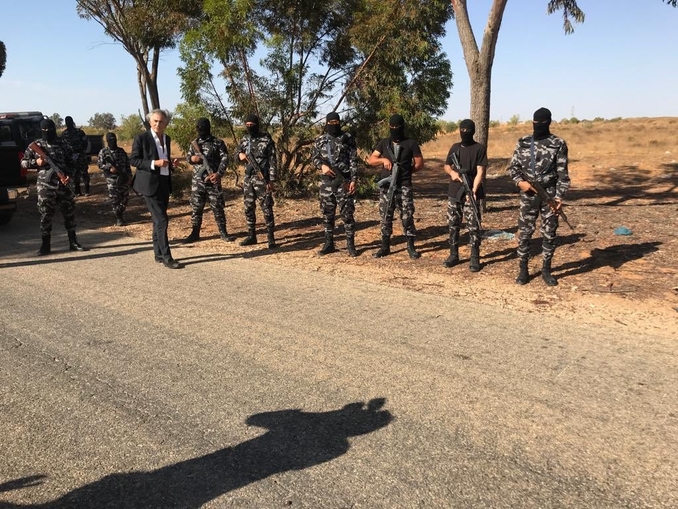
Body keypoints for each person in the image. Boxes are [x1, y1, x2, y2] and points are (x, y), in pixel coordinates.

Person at [507, 107, 570, 286]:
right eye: (535, 122)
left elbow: (563, 175)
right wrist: (520, 183)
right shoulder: (524, 142)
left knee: (549, 233)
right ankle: (523, 269)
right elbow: (513, 168)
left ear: (548, 122)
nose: (537, 126)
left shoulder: (558, 143)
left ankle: (546, 270)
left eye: (541, 123)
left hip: (549, 194)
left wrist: (559, 198)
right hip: (528, 194)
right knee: (525, 233)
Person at [21, 118, 87, 255]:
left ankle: (73, 242)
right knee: (46, 215)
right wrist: (36, 162)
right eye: (44, 130)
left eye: (49, 130)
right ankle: (45, 245)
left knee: (69, 213)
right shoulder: (36, 145)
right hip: (45, 187)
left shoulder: (63, 144)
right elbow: (23, 163)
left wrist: (69, 175)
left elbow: (73, 163)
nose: (47, 132)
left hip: (63, 185)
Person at [130, 109, 183, 269]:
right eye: (155, 121)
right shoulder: (142, 138)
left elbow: (164, 159)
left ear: (166, 123)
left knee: (158, 220)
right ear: (150, 122)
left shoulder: (166, 138)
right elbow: (134, 160)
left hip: (164, 182)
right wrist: (154, 163)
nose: (158, 124)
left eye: (161, 121)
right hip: (149, 184)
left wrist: (170, 164)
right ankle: (167, 257)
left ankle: (158, 254)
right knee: (162, 220)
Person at [366, 114, 424, 259]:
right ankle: (385, 247)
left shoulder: (410, 143)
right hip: (387, 187)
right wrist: (383, 160)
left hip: (404, 186)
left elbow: (419, 163)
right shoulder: (384, 143)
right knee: (386, 216)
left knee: (407, 216)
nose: (394, 129)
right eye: (392, 127)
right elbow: (371, 160)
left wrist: (406, 172)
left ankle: (411, 246)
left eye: (397, 127)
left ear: (402, 127)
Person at [311, 112, 360, 257]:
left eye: (336, 122)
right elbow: (314, 158)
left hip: (343, 181)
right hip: (326, 183)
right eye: (330, 123)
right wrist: (322, 166)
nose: (333, 125)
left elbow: (353, 161)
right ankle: (329, 243)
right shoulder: (320, 140)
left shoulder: (348, 138)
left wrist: (354, 180)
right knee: (327, 214)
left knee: (347, 214)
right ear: (326, 123)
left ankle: (350, 245)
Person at [442, 119, 487, 272]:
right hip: (455, 192)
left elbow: (480, 171)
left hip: (471, 191)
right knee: (453, 224)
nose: (464, 133)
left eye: (467, 130)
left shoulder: (479, 148)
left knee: (473, 226)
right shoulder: (455, 147)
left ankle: (474, 257)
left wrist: (473, 190)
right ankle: (453, 254)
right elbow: (447, 166)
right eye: (462, 130)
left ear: (473, 131)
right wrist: (453, 173)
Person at [182, 118, 235, 243]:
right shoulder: (194, 143)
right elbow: (188, 157)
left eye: (203, 128)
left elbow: (225, 159)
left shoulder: (218, 142)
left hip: (212, 180)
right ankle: (195, 233)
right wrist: (192, 159)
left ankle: (223, 233)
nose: (201, 130)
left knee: (217, 207)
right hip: (197, 181)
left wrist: (218, 174)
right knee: (196, 208)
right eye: (199, 128)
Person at [236, 114, 278, 249]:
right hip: (248, 179)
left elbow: (273, 161)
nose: (249, 127)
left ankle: (271, 237)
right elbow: (235, 155)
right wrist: (239, 155)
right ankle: (251, 235)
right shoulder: (244, 140)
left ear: (257, 125)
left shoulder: (266, 140)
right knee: (248, 207)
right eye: (247, 125)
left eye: (251, 125)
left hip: (262, 178)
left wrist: (271, 180)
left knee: (266, 207)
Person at [97, 132, 132, 226]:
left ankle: (120, 212)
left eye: (114, 139)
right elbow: (100, 165)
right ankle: (119, 217)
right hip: (111, 180)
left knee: (125, 198)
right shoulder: (103, 152)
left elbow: (127, 164)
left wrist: (129, 176)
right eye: (111, 140)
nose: (113, 142)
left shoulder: (121, 151)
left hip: (123, 178)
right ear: (107, 141)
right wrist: (109, 167)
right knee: (115, 199)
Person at [61, 116, 91, 196]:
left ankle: (87, 190)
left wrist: (83, 151)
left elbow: (86, 142)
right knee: (75, 174)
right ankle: (77, 191)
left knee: (84, 172)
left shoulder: (79, 132)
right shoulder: (64, 134)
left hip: (80, 154)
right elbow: (63, 146)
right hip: (71, 156)